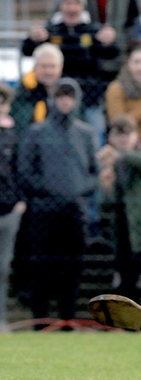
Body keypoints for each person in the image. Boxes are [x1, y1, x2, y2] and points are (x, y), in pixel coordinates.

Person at [16, 79, 99, 328]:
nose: (65, 101)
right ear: (53, 99)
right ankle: (40, 322)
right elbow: (25, 171)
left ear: (76, 100)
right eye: (61, 96)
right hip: (43, 210)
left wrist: (77, 192)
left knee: (72, 268)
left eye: (69, 96)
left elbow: (94, 172)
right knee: (41, 266)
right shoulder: (36, 131)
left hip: (75, 211)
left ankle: (66, 320)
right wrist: (49, 192)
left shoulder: (86, 133)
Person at [97, 114, 141, 303]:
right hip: (122, 228)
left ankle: (129, 320)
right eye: (118, 136)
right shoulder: (114, 161)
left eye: (127, 135)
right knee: (126, 278)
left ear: (135, 135)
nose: (123, 140)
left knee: (130, 278)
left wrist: (120, 156)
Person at [21, 0, 119, 81]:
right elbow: (27, 51)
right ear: (60, 6)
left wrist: (109, 42)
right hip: (55, 84)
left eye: (76, 3)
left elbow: (113, 53)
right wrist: (34, 39)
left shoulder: (93, 31)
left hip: (88, 84)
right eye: (68, 3)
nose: (72, 8)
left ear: (82, 6)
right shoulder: (51, 31)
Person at [0, 84, 25, 330]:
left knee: (3, 268)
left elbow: (21, 170)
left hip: (8, 210)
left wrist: (20, 201)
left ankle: (0, 318)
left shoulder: (14, 134)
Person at [11, 43, 63, 132]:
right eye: (44, 66)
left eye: (52, 66)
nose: (48, 72)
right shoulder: (22, 91)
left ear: (60, 68)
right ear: (35, 67)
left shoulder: (67, 91)